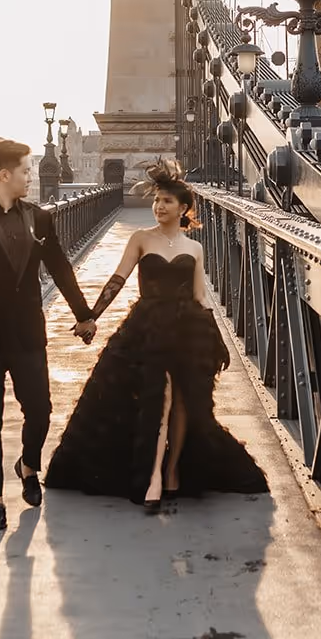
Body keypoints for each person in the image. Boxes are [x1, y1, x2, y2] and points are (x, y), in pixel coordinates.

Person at [45, 160, 267, 512]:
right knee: (157, 399)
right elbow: (117, 280)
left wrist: (214, 336)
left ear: (183, 209)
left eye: (167, 201)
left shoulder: (194, 248)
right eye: (157, 200)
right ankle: (151, 477)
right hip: (147, 326)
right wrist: (91, 317)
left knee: (184, 402)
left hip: (187, 327)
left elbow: (200, 296)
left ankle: (174, 469)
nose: (159, 206)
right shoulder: (141, 238)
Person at [0, 139, 98, 532]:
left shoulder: (40, 219)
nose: (32, 176)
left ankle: (29, 465)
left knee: (42, 410)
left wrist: (84, 315)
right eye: (27, 170)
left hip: (29, 333)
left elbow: (61, 268)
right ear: (4, 174)